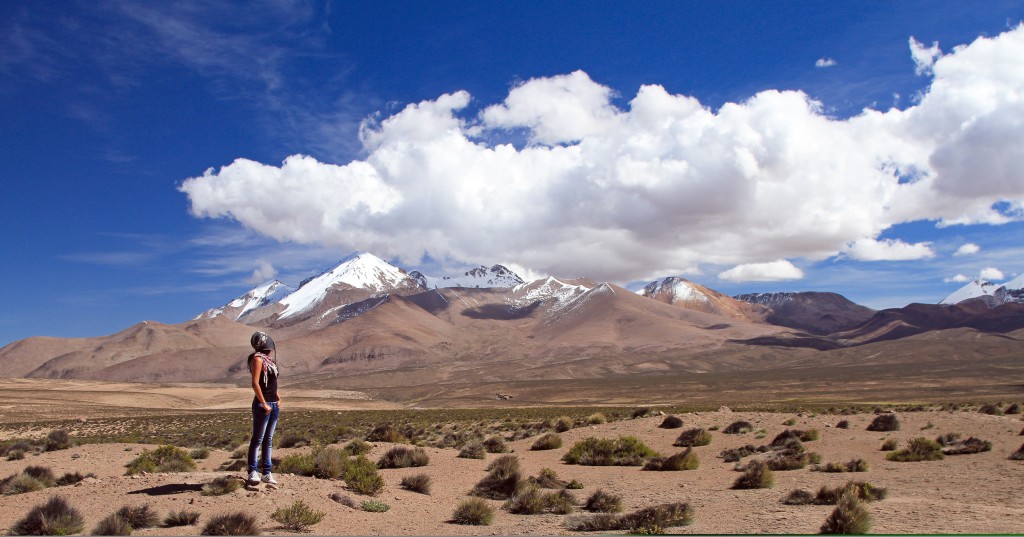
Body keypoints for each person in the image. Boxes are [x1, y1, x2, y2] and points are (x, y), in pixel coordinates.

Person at [246, 331, 280, 487]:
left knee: (269, 440)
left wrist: (277, 398)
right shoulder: (257, 359)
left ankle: (267, 472)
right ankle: (253, 471)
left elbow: (272, 383)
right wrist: (264, 403)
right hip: (263, 405)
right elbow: (255, 383)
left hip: (273, 404)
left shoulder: (269, 361)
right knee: (258, 439)